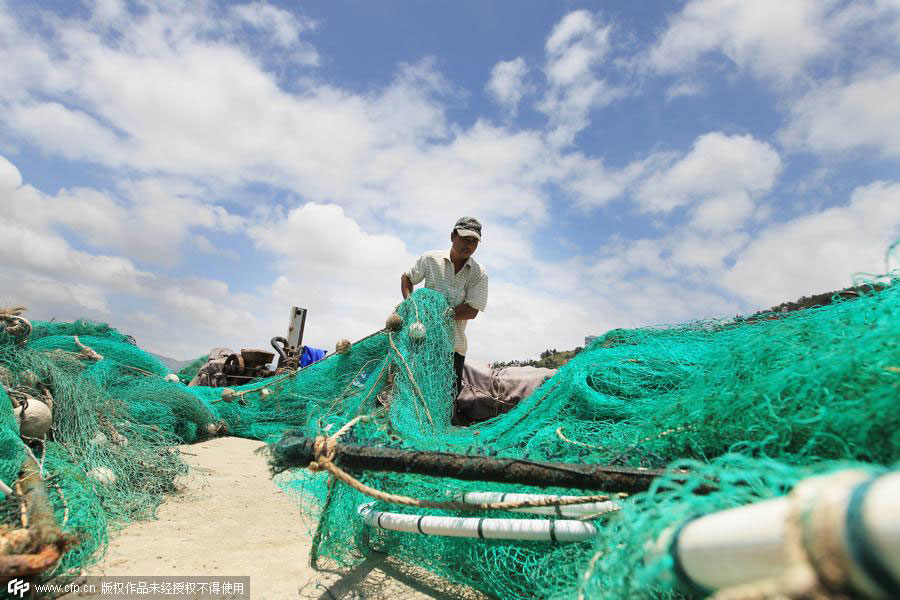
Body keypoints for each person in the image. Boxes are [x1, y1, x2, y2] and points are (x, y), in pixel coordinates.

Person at [401, 217, 489, 409]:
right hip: (420, 343)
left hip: (453, 348)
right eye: (465, 238)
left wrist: (441, 315)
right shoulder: (430, 259)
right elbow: (407, 278)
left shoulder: (478, 273)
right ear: (452, 236)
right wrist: (411, 305)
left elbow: (472, 310)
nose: (469, 244)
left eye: (474, 241)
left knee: (445, 403)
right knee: (412, 396)